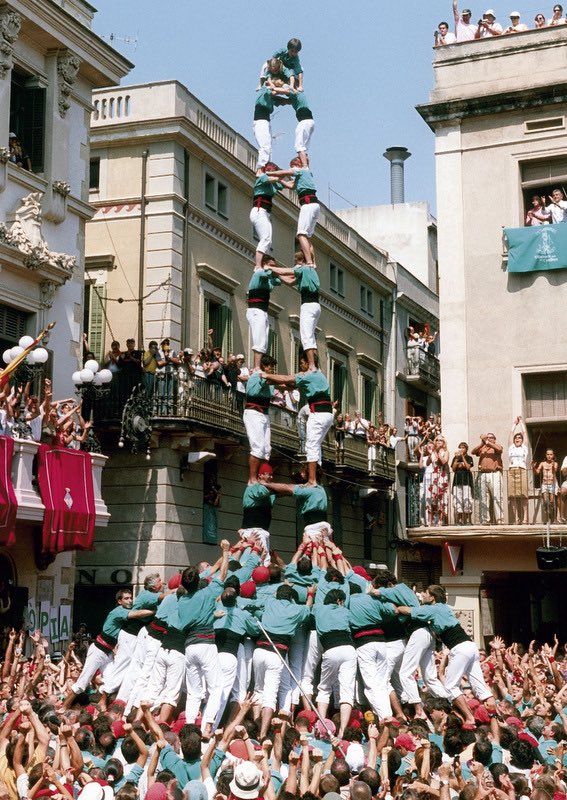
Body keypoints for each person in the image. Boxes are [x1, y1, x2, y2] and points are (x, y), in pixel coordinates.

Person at [395, 585, 496, 729]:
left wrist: (398, 609)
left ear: (433, 598)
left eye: (426, 593)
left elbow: (411, 611)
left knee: (450, 686)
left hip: (459, 648)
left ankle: (469, 717)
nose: (423, 595)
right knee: (478, 684)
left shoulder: (435, 608)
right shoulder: (444, 608)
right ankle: (493, 712)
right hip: (470, 646)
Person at [63, 589, 154, 707]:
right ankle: (64, 706)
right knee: (83, 681)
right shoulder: (118, 611)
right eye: (126, 598)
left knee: (113, 678)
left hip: (108, 654)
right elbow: (137, 614)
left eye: (131, 598)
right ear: (119, 601)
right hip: (98, 651)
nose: (130, 600)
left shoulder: (127, 610)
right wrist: (154, 611)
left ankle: (102, 701)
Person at [260, 350, 333, 484]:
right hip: (326, 414)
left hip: (318, 413)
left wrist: (265, 375)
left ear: (308, 363)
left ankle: (312, 480)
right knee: (316, 446)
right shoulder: (318, 375)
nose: (300, 366)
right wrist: (271, 382)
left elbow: (286, 379)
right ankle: (315, 475)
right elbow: (290, 384)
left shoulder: (310, 375)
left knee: (310, 446)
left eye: (302, 363)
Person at [268, 252, 321, 370]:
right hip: (315, 305)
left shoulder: (304, 269)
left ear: (300, 261)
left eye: (295, 261)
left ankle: (312, 365)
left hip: (308, 304)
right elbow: (290, 281)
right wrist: (278, 276)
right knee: (311, 336)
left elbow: (288, 272)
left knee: (306, 336)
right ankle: (315, 363)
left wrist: (270, 268)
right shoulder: (310, 271)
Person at [266, 160, 320, 265]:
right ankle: (313, 262)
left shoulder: (300, 170)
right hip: (315, 205)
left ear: (295, 165)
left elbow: (285, 172)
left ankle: (308, 261)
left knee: (301, 234)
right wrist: (279, 180)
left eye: (292, 167)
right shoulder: (305, 175)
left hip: (307, 205)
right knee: (307, 236)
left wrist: (268, 173)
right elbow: (291, 186)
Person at [249, 164, 292, 269]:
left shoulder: (273, 184)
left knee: (268, 241)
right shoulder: (262, 177)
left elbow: (288, 184)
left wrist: (299, 177)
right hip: (259, 211)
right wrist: (286, 173)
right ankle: (258, 265)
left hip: (265, 213)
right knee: (265, 239)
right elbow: (275, 178)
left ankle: (264, 262)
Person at [246, 256, 284, 370]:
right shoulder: (259, 273)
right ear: (264, 264)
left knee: (264, 341)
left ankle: (259, 365)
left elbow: (278, 281)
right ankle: (256, 367)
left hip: (262, 311)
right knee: (259, 339)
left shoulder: (268, 278)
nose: (274, 268)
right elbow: (267, 274)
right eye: (271, 265)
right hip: (256, 310)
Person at [243, 354, 277, 483]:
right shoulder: (255, 378)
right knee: (258, 448)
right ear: (264, 366)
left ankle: (262, 476)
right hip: (253, 413)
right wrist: (263, 380)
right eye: (270, 367)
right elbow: (251, 392)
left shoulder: (271, 381)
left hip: (264, 414)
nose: (272, 369)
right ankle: (252, 479)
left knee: (267, 449)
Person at [471, 433, 504, 524]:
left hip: (494, 473)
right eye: (487, 438)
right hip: (483, 474)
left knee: (497, 496)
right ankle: (485, 520)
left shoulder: (496, 446)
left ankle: (500, 519)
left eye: (490, 438)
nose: (488, 439)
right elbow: (473, 452)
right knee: (484, 498)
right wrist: (482, 444)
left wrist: (487, 442)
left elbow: (500, 449)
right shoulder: (483, 448)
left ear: (494, 439)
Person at [507, 417, 529, 525]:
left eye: (519, 438)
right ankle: (516, 518)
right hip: (512, 471)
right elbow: (511, 435)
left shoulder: (524, 448)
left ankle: (525, 518)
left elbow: (525, 434)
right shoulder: (511, 447)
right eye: (516, 438)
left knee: (524, 495)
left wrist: (521, 424)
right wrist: (514, 424)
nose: (517, 439)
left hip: (522, 470)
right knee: (512, 495)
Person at [451, 442, 474, 525]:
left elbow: (468, 467)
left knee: (467, 500)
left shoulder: (469, 457)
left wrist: (463, 457)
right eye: (460, 447)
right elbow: (453, 469)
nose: (461, 449)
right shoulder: (455, 458)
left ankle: (468, 520)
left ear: (466, 449)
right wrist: (457, 459)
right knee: (458, 500)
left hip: (467, 481)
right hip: (457, 481)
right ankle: (459, 520)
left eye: (463, 447)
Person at [534, 449, 559, 524]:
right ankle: (547, 518)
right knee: (545, 502)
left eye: (551, 454)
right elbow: (537, 472)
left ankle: (553, 519)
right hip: (544, 484)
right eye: (548, 454)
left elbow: (555, 471)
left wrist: (553, 465)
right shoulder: (542, 463)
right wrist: (533, 467)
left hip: (552, 483)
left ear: (553, 455)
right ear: (546, 455)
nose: (549, 456)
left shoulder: (555, 463)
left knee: (552, 502)